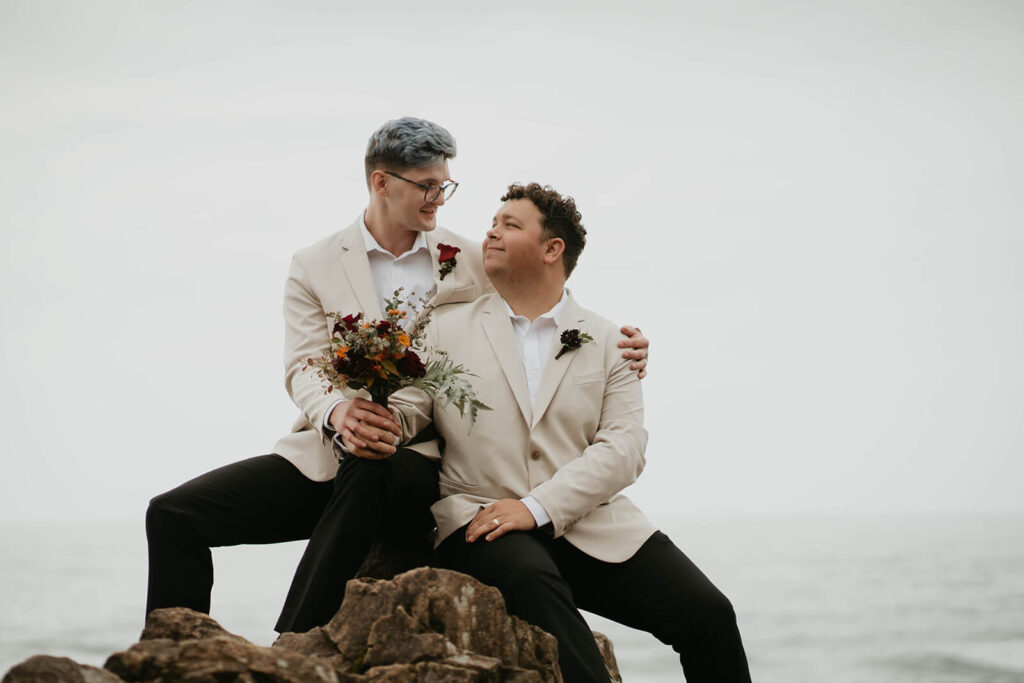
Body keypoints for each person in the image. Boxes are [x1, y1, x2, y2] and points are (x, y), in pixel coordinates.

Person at [144, 117, 651, 635]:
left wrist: (618, 347)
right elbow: (302, 364)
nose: (439, 198)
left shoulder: (474, 260)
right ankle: (168, 660)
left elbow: (540, 311)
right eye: (427, 186)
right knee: (172, 515)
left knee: (374, 471)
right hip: (329, 451)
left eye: (444, 186)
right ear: (382, 183)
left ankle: (293, 642)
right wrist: (339, 413)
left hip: (430, 462)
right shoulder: (314, 264)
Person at [347, 183, 751, 682]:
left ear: (552, 249)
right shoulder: (444, 328)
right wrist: (370, 411)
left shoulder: (611, 341)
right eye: (492, 223)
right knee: (533, 579)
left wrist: (537, 508)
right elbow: (412, 407)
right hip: (481, 519)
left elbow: (625, 448)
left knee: (710, 614)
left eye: (510, 224)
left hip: (591, 524)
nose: (491, 231)